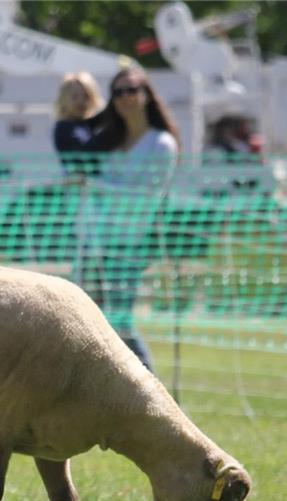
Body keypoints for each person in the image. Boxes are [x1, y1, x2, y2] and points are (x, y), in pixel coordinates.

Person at [74, 66, 179, 372]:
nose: (125, 97)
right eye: (118, 92)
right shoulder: (110, 141)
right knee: (86, 323)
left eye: (132, 90)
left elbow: (146, 197)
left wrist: (95, 186)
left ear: (147, 95)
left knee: (120, 326)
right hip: (93, 245)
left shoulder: (161, 144)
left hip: (127, 247)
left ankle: (153, 395)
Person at [52, 72, 106, 176]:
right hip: (77, 187)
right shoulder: (63, 127)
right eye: (75, 97)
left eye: (86, 96)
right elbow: (78, 159)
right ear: (63, 100)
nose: (81, 101)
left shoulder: (85, 125)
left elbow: (108, 115)